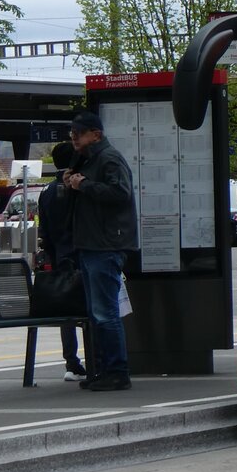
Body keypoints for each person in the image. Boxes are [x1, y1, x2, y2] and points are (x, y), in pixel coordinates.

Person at [65, 111, 138, 392]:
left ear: (96, 134)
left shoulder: (108, 158)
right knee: (98, 312)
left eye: (78, 134)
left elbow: (121, 194)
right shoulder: (91, 160)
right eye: (72, 135)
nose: (74, 140)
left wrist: (84, 184)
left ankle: (117, 371)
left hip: (105, 245)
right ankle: (104, 369)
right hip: (92, 243)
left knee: (105, 312)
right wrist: (74, 182)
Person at [36, 141, 88, 381]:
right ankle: (96, 359)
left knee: (67, 313)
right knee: (90, 309)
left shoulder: (46, 193)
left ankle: (71, 361)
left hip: (59, 258)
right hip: (80, 254)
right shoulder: (75, 187)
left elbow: (44, 233)